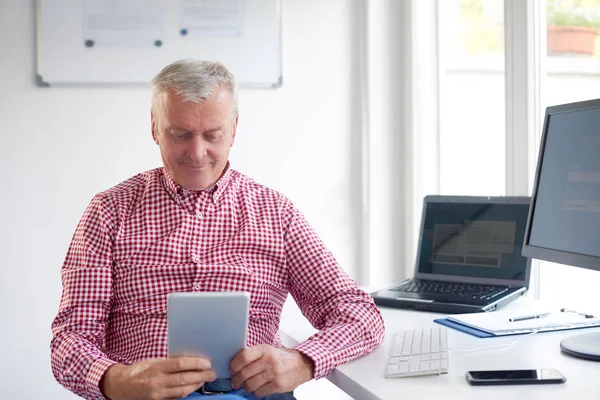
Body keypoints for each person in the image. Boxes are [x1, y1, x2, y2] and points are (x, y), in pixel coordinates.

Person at [51, 59, 385, 400]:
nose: (197, 153)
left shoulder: (276, 214)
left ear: (234, 129)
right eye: (179, 134)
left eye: (213, 135)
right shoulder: (110, 212)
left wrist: (303, 361)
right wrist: (115, 380)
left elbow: (361, 315)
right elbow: (70, 339)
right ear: (154, 127)